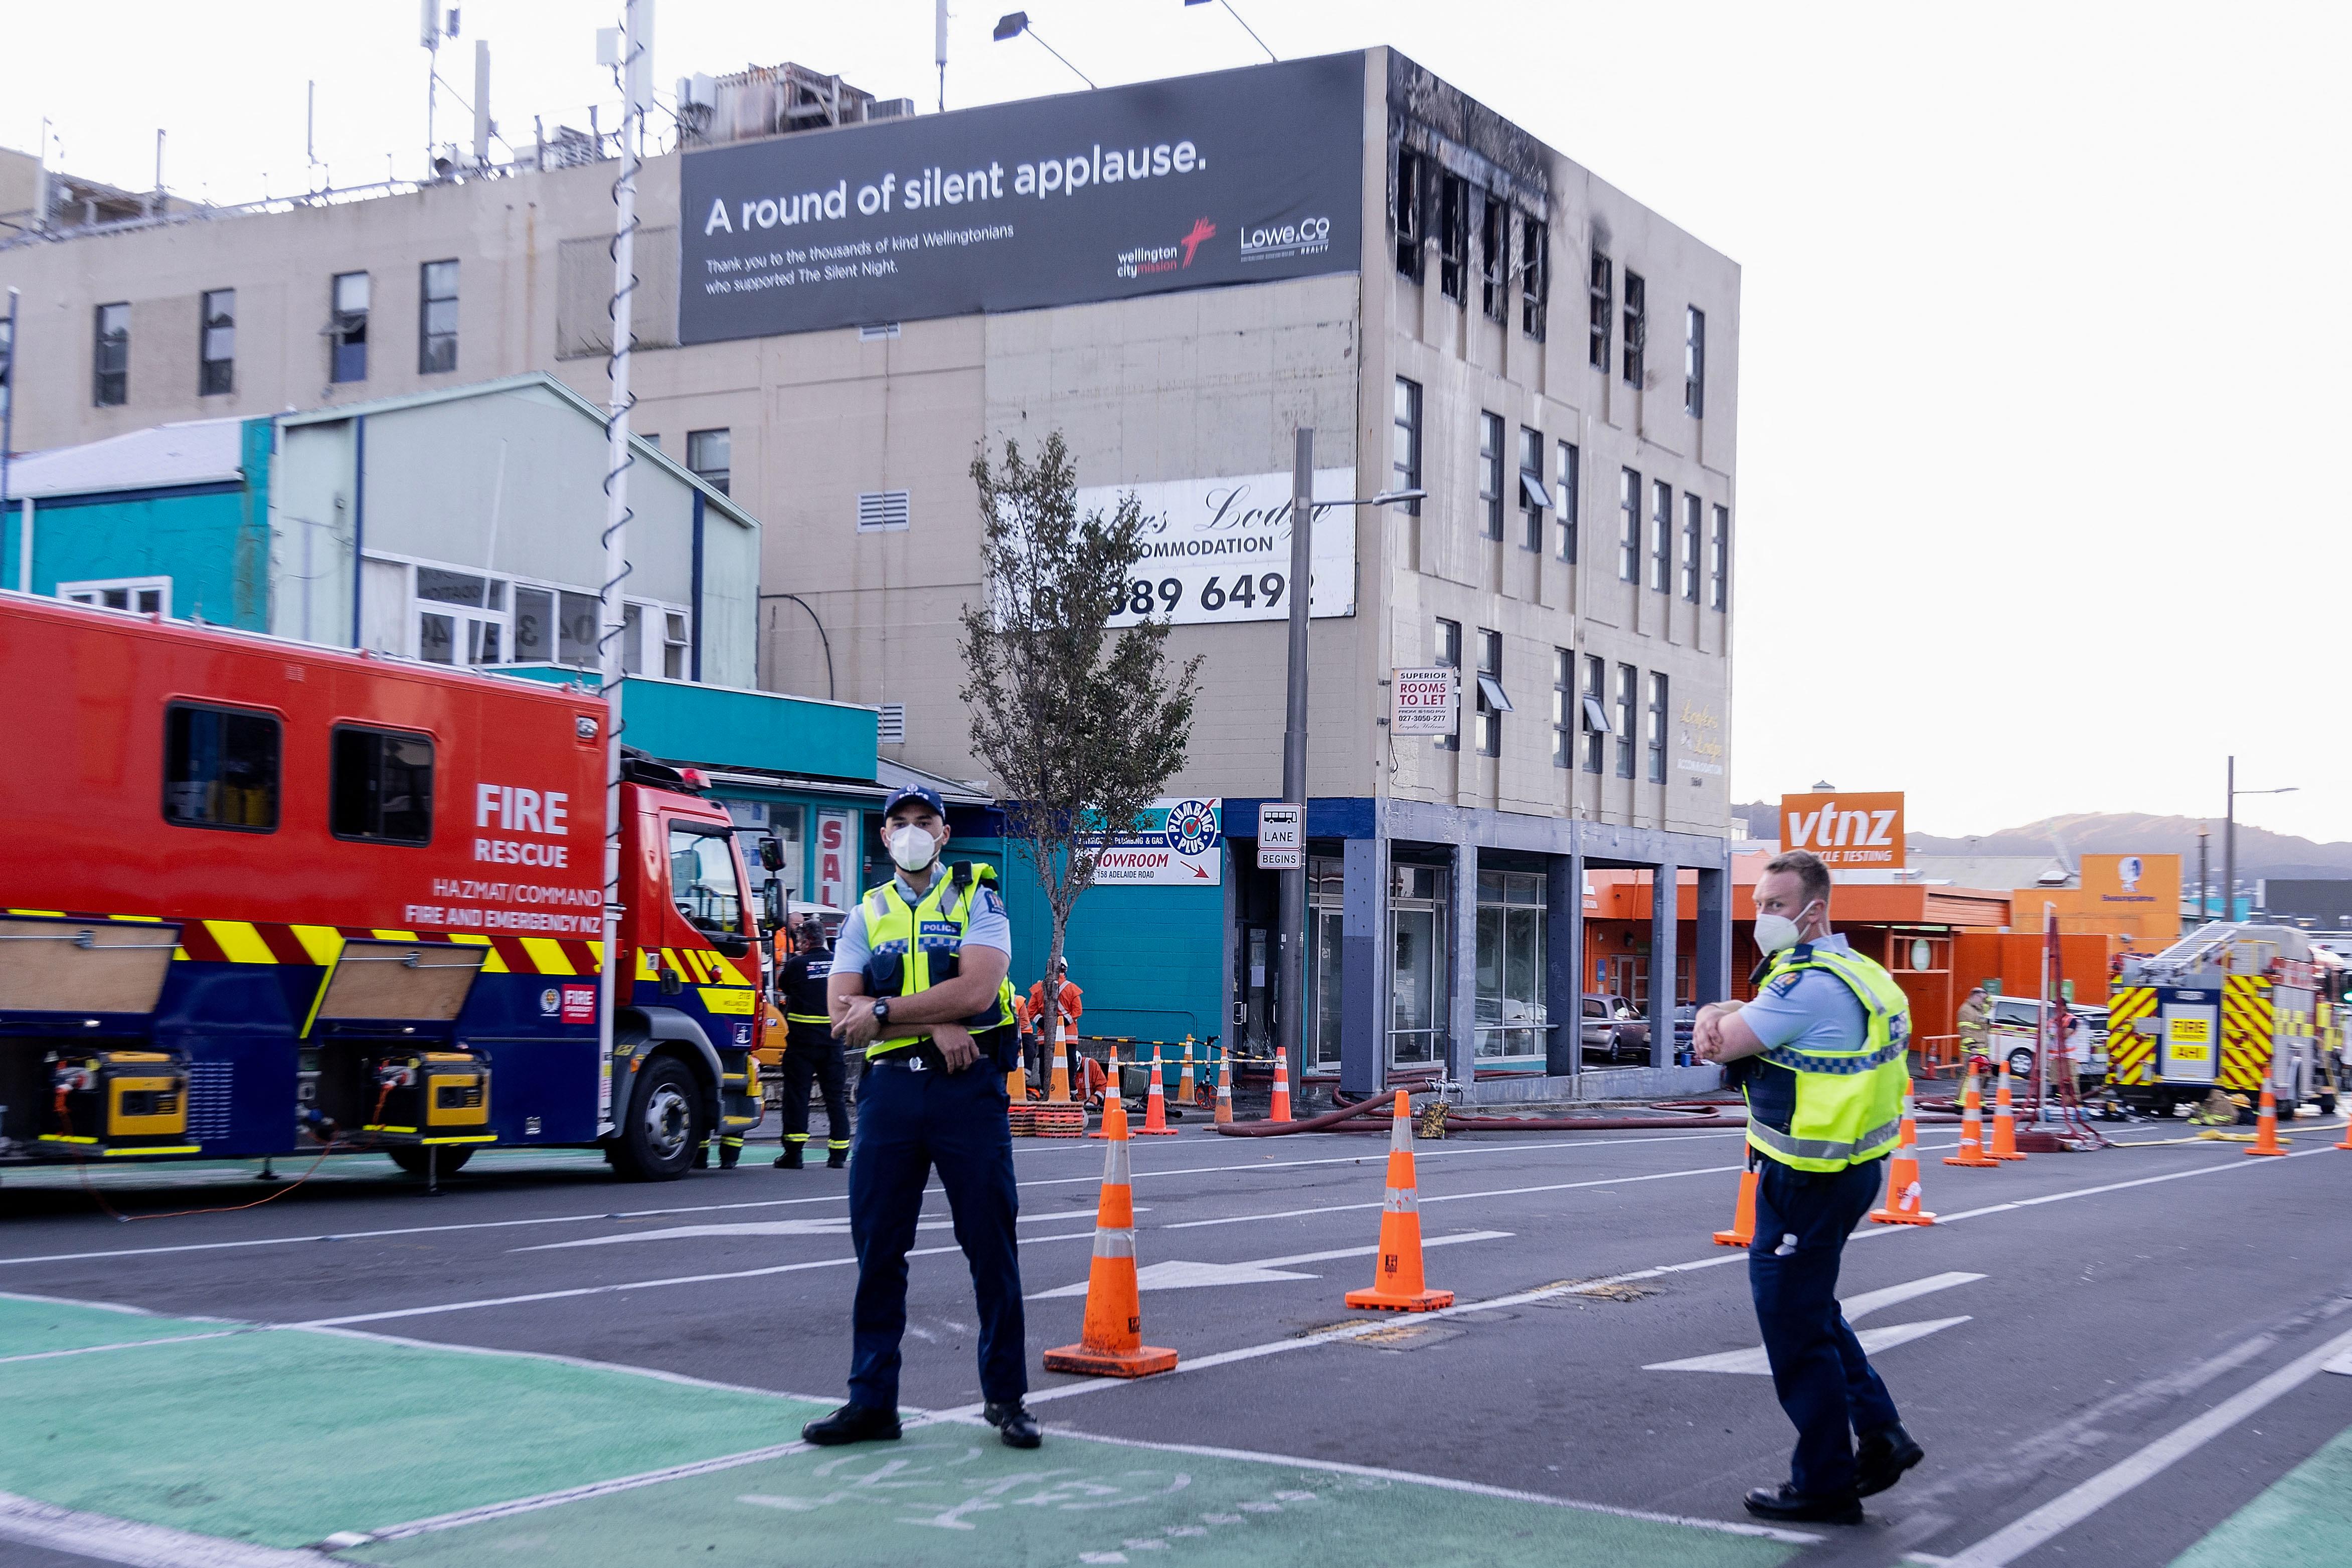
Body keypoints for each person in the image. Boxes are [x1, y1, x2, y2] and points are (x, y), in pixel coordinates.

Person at [799, 786, 1042, 1452]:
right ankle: (871, 1400)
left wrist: (884, 1010)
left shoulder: (977, 897)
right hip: (890, 1096)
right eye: (898, 822)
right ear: (883, 837)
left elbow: (978, 988)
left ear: (943, 833)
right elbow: (839, 1012)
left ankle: (1006, 1397)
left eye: (923, 821)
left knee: (991, 1246)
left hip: (967, 1090)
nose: (911, 831)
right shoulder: (865, 912)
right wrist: (932, 1018)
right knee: (878, 1252)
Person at [1695, 849, 1924, 1524]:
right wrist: (1724, 1005)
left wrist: (1714, 1012)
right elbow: (1747, 1016)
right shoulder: (1857, 972)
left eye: (1774, 905)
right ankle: (1881, 1433)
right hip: (1849, 1166)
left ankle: (1824, 1482)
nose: (1760, 916)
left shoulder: (1803, 987)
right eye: (1759, 902)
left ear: (1812, 910)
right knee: (1814, 1307)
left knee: (1794, 1325)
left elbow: (1716, 1045)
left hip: (1805, 1179)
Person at [773, 915, 852, 1170]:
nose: (797, 945)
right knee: (835, 1098)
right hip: (833, 1041)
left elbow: (783, 986)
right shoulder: (839, 963)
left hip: (803, 1042)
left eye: (799, 940)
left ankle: (794, 1154)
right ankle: (839, 1154)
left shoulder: (797, 965)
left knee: (797, 1096)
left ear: (807, 941)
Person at [1956, 985, 1989, 1064]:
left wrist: (1986, 994)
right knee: (1971, 1074)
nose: (1983, 1001)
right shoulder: (1967, 1010)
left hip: (1981, 1050)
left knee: (1981, 1075)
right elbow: (1965, 1031)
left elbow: (1991, 1004)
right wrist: (1972, 1047)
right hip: (1972, 1051)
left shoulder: (1979, 1009)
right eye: (1982, 998)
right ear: (1975, 996)